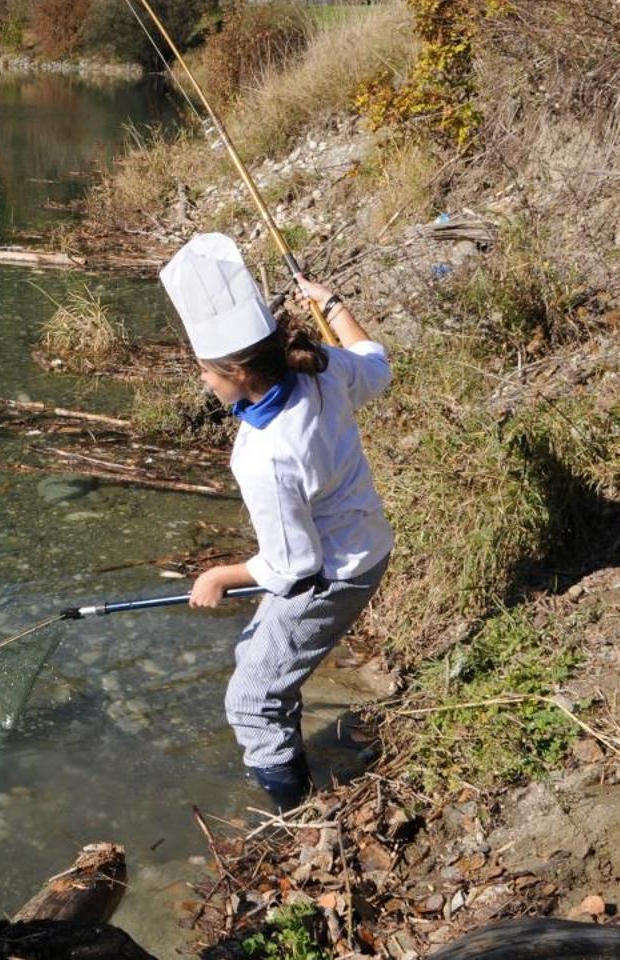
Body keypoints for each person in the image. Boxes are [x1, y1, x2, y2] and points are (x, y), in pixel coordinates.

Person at [158, 232, 392, 811]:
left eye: (206, 371)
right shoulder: (322, 369)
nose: (203, 381)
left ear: (238, 370)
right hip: (366, 544)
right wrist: (334, 304)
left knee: (249, 702)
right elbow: (377, 364)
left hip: (335, 573)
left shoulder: (262, 454)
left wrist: (219, 576)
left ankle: (295, 817)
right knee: (254, 653)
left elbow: (292, 567)